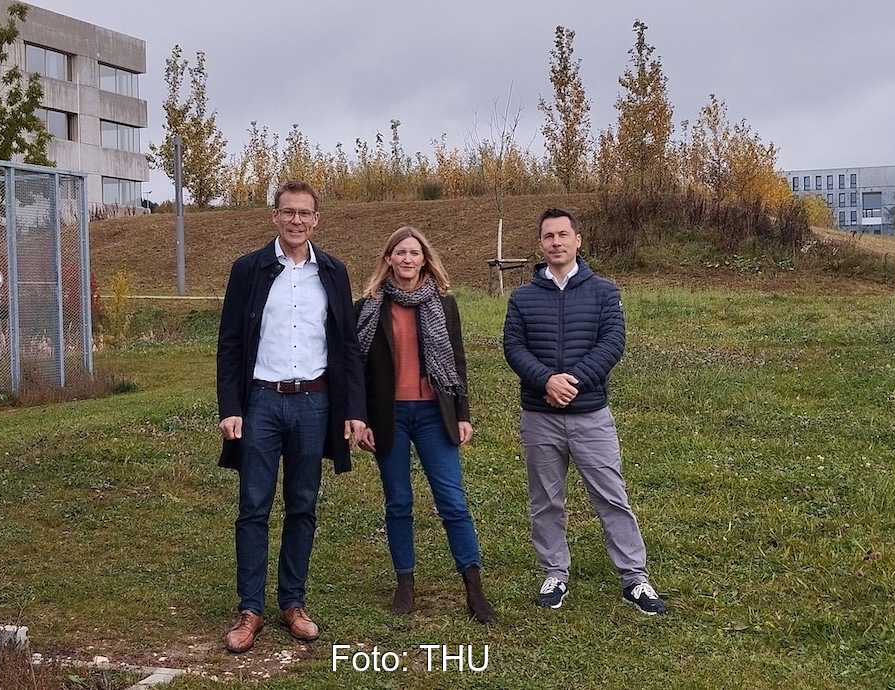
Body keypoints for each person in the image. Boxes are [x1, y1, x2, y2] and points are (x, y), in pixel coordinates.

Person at [216, 180, 368, 653]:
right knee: (254, 506)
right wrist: (231, 408)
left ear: (316, 219)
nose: (296, 220)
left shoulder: (334, 272)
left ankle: (293, 603)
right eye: (288, 212)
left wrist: (353, 412)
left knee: (303, 503)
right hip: (261, 402)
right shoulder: (249, 269)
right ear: (274, 217)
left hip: (314, 404)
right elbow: (230, 344)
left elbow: (346, 346)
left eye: (305, 213)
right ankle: (250, 609)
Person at [502, 208, 667, 615]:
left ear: (578, 240)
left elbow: (613, 342)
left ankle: (635, 578)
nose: (556, 242)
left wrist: (571, 381)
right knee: (546, 500)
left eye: (563, 235)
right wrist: (546, 382)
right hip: (540, 415)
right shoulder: (522, 297)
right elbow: (513, 347)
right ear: (540, 244)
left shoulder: (604, 292)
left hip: (590, 413)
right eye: (548, 236)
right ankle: (555, 573)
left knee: (612, 496)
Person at [354, 227, 496, 624]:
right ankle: (405, 584)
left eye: (414, 252)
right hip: (389, 417)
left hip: (435, 414)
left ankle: (473, 587)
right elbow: (358, 371)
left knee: (453, 501)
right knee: (398, 502)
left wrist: (463, 414)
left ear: (424, 258)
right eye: (399, 252)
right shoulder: (367, 306)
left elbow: (457, 361)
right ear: (388, 259)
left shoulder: (442, 304)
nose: (407, 259)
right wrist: (361, 419)